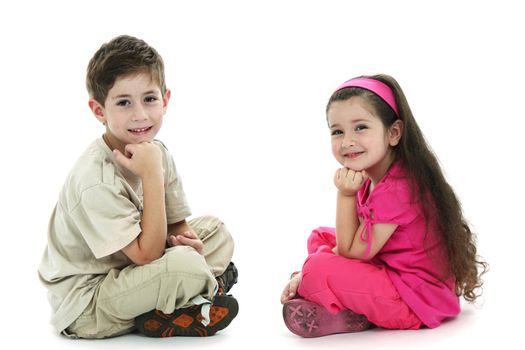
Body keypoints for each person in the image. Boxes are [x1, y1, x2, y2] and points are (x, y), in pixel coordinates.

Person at [38, 35, 238, 339]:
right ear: (99, 110)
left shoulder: (155, 151)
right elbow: (147, 255)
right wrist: (151, 176)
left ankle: (181, 300)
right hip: (90, 302)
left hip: (132, 268)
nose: (140, 115)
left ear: (165, 100)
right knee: (184, 266)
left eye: (149, 99)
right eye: (123, 103)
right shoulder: (95, 180)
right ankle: (198, 294)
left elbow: (177, 226)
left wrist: (190, 242)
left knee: (216, 232)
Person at [280, 74, 487, 337]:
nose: (347, 141)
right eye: (337, 131)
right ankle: (338, 299)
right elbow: (351, 244)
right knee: (319, 236)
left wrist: (345, 195)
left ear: (393, 133)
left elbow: (351, 252)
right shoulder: (374, 176)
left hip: (412, 302)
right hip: (389, 268)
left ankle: (344, 308)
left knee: (316, 268)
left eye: (361, 127)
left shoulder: (399, 188)